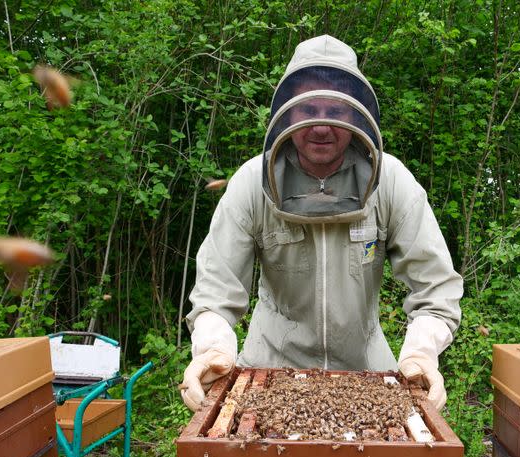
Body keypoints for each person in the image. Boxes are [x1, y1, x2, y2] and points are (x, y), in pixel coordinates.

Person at [181, 35, 463, 412]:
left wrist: (422, 353)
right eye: (308, 108)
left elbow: (437, 291)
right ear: (286, 112)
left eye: (336, 110)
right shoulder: (252, 182)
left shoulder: (391, 181)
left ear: (357, 113)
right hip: (268, 372)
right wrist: (213, 348)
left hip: (367, 375)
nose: (321, 126)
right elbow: (215, 293)